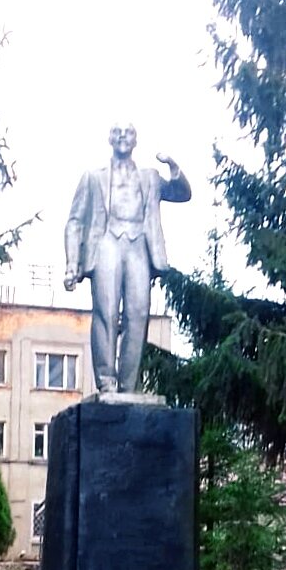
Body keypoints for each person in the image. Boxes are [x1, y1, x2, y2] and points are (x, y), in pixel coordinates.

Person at [63, 123, 191, 393]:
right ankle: (107, 382)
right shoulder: (92, 177)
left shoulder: (151, 177)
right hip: (106, 244)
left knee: (137, 315)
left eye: (128, 132)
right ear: (109, 138)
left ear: (136, 140)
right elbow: (74, 221)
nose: (123, 136)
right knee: (106, 313)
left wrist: (173, 166)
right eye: (117, 132)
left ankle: (128, 386)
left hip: (139, 248)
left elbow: (182, 194)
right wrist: (72, 263)